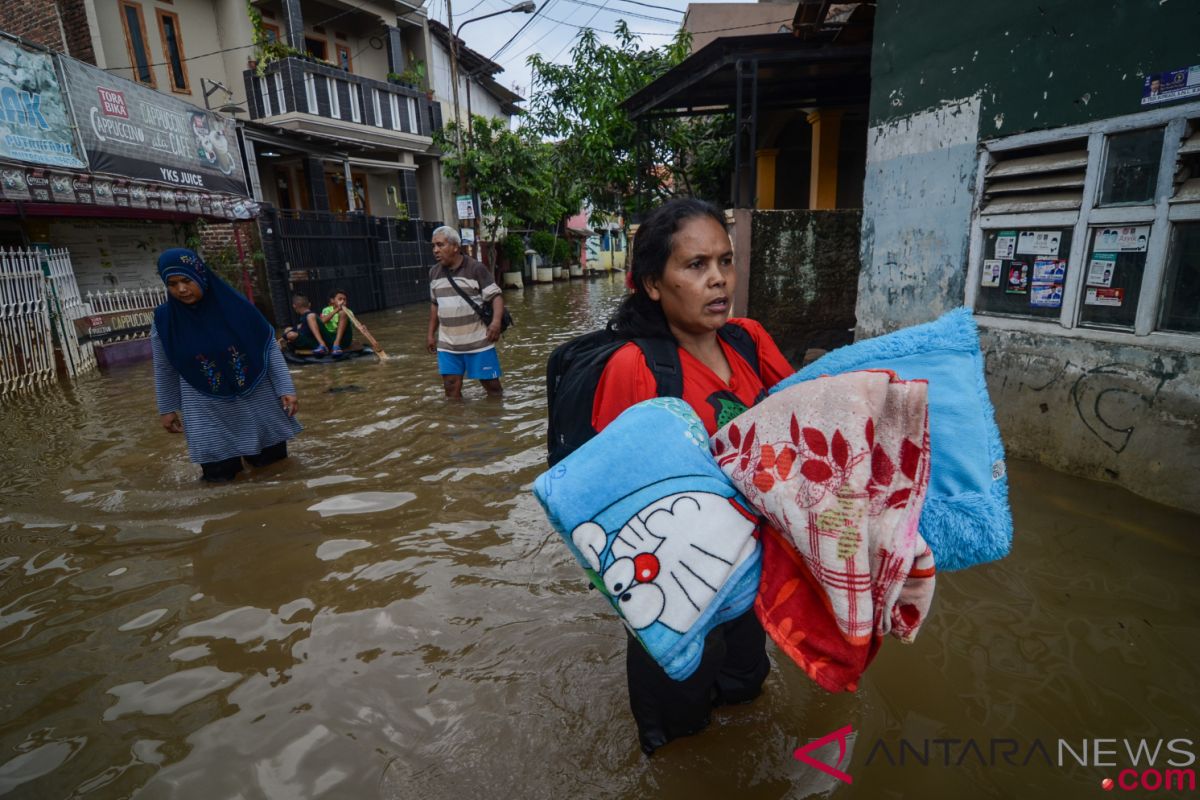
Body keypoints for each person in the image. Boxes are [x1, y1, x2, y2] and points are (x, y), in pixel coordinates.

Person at [590, 198, 794, 755]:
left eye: (725, 262)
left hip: (748, 576)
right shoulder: (635, 368)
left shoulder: (749, 339)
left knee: (748, 694)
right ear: (653, 284)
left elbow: (801, 427)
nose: (718, 279)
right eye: (696, 265)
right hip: (674, 594)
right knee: (679, 738)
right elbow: (614, 502)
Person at [152, 248, 301, 483]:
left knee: (275, 471)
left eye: (186, 280)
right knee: (218, 477)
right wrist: (167, 408)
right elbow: (163, 366)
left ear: (200, 275)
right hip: (204, 405)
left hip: (255, 397)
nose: (181, 289)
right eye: (172, 284)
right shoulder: (164, 320)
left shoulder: (238, 307)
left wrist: (286, 388)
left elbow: (268, 346)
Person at [427, 225, 504, 398]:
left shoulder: (476, 269)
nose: (435, 250)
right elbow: (435, 305)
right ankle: (457, 423)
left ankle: (495, 418)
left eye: (440, 245)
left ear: (455, 246)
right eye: (433, 246)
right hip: (448, 345)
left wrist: (496, 323)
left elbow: (496, 297)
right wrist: (431, 334)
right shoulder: (434, 273)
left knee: (493, 388)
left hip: (478, 342)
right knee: (450, 388)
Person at [319, 288, 354, 356]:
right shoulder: (327, 310)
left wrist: (362, 327)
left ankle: (336, 344)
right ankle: (327, 345)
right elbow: (322, 322)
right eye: (340, 299)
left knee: (343, 313)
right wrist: (337, 309)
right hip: (330, 338)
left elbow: (352, 327)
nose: (343, 301)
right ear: (332, 300)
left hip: (343, 340)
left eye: (344, 299)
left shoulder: (349, 312)